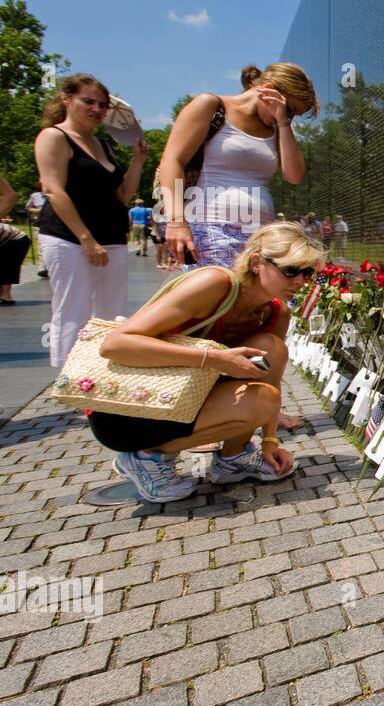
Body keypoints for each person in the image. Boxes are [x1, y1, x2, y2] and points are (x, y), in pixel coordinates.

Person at [92, 222, 323, 502]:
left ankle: (233, 458)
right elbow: (115, 344)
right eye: (291, 270)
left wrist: (270, 442)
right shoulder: (214, 284)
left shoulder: (276, 313)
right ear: (256, 263)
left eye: (307, 272)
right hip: (129, 409)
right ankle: (145, 458)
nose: (301, 281)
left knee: (269, 373)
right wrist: (213, 359)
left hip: (187, 402)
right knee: (263, 367)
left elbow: (269, 381)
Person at [34, 73, 148, 368]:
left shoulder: (104, 145)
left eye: (102, 104)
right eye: (88, 101)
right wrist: (86, 238)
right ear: (66, 99)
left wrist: (138, 160)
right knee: (73, 307)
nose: (96, 109)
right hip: (68, 237)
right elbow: (53, 190)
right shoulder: (53, 136)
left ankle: (102, 373)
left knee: (112, 311)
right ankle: (69, 373)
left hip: (111, 235)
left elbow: (122, 194)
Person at [158, 63, 318, 270]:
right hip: (212, 229)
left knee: (249, 302)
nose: (289, 117)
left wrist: (283, 123)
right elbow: (172, 160)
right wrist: (176, 221)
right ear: (270, 89)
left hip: (260, 238)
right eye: (290, 110)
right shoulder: (210, 106)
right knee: (220, 299)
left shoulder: (279, 126)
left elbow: (294, 176)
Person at [0, 174, 27, 306]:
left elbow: (10, 197)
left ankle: (6, 295)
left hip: (16, 239)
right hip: (5, 239)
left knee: (7, 266)